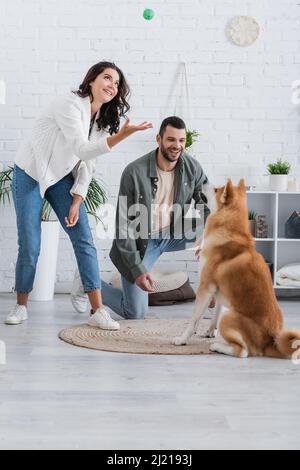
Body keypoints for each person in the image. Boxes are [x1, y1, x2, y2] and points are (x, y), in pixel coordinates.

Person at [6, 61, 153, 329]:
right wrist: (123, 136)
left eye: (117, 83)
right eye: (107, 78)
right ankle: (21, 305)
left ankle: (98, 311)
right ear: (92, 80)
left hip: (60, 176)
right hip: (31, 172)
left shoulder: (102, 119)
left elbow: (87, 164)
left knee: (84, 237)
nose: (112, 86)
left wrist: (77, 199)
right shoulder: (70, 105)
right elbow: (83, 149)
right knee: (30, 244)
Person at [72, 116, 210, 320]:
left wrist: (207, 233)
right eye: (171, 140)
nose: (177, 146)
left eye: (181, 140)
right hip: (142, 242)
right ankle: (87, 281)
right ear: (159, 139)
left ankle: (216, 295)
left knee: (221, 234)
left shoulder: (192, 167)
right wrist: (137, 271)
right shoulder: (134, 172)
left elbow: (208, 203)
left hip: (173, 233)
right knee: (135, 312)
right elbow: (123, 228)